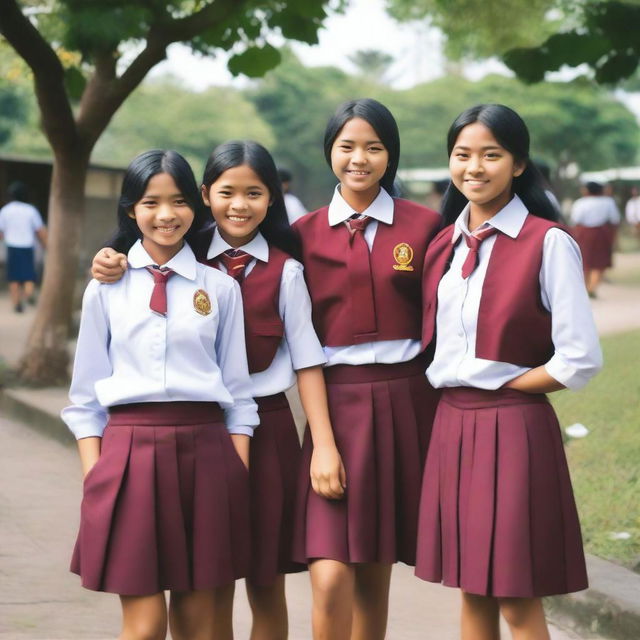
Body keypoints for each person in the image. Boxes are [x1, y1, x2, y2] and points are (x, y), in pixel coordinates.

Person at [91, 141, 333, 640]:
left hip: (259, 429)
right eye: (226, 192)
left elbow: (308, 361)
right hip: (189, 435)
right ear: (206, 196)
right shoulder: (184, 248)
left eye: (254, 193)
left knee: (263, 578)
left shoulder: (284, 269)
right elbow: (139, 248)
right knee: (205, 589)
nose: (239, 205)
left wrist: (322, 445)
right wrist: (107, 261)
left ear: (274, 198)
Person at [416, 104, 602, 640]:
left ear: (518, 163)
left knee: (516, 598)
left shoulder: (548, 242)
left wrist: (505, 382)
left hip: (514, 428)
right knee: (472, 590)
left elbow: (579, 357)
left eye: (491, 155)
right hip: (453, 426)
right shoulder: (443, 245)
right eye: (462, 155)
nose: (474, 167)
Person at [62, 149, 258, 640]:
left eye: (178, 201)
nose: (166, 214)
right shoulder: (105, 288)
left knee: (197, 623)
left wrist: (236, 469)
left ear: (196, 205)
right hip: (128, 457)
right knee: (146, 625)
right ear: (132, 209)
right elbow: (84, 398)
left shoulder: (220, 288)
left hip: (208, 455)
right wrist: (97, 474)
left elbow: (237, 393)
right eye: (151, 202)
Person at [291, 98, 442, 640]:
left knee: (376, 570)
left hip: (408, 401)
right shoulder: (300, 234)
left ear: (390, 155)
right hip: (335, 403)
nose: (361, 158)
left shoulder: (426, 226)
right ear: (329, 151)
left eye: (374, 147)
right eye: (348, 146)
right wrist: (118, 255)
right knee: (330, 576)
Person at [0, 181, 47, 312]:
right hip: (27, 247)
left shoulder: (5, 210)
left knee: (13, 276)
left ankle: (16, 304)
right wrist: (45, 244)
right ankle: (28, 294)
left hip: (12, 247)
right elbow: (40, 230)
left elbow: (1, 231)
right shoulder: (31, 210)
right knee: (28, 275)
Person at [570, 181, 621, 297]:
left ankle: (585, 286)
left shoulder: (580, 203)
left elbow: (575, 219)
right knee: (599, 262)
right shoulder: (608, 202)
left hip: (583, 233)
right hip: (601, 233)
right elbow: (615, 219)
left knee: (584, 260)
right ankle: (592, 287)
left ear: (587, 190)